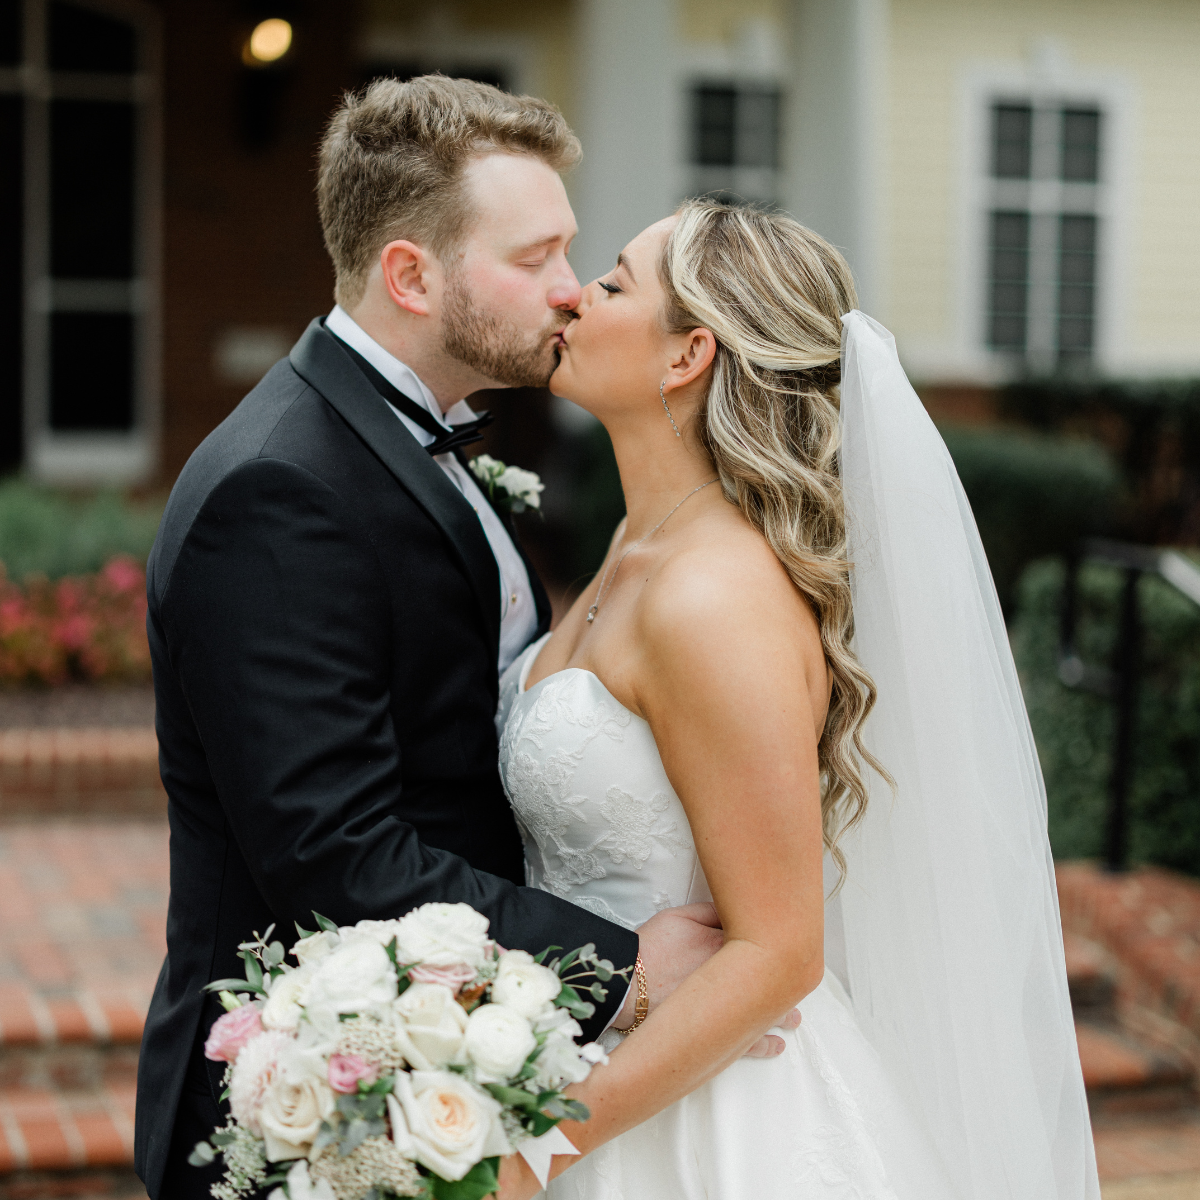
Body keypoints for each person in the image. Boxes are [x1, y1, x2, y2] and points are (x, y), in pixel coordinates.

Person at [133, 79, 795, 1200]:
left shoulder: (424, 446)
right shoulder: (279, 491)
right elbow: (337, 853)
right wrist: (625, 971)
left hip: (470, 1072)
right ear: (411, 277)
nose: (571, 288)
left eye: (573, 252)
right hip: (311, 1102)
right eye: (535, 258)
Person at [492, 201, 1101, 1198]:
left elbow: (777, 952)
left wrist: (536, 1149)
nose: (574, 295)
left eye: (612, 283)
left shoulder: (713, 596)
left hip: (703, 1122)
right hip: (594, 1056)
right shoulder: (636, 549)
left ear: (687, 354)